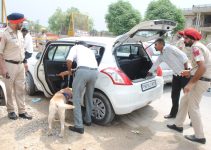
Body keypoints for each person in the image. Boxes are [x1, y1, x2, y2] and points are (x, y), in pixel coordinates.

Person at [167, 28, 211, 144]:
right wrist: (189, 72)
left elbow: (202, 67)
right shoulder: (199, 46)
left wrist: (191, 83)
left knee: (193, 107)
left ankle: (199, 136)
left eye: (186, 38)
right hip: (202, 79)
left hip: (200, 81)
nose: (184, 40)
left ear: (192, 38)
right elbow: (200, 65)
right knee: (184, 101)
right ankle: (178, 125)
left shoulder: (196, 47)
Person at [58, 41, 98, 134]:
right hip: (95, 72)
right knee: (89, 97)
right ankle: (88, 120)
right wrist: (73, 70)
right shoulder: (90, 51)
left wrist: (69, 71)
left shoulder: (75, 47)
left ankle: (79, 126)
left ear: (77, 44)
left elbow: (69, 60)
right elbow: (86, 65)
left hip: (83, 73)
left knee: (76, 98)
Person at [0, 13, 32, 120]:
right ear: (14, 22)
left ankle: (22, 111)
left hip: (20, 65)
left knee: (20, 89)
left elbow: (21, 50)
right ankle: (11, 111)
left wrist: (25, 62)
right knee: (9, 90)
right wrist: (3, 68)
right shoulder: (4, 34)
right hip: (9, 65)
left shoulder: (19, 33)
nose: (22, 24)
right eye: (21, 22)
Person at [148, 38, 189, 119]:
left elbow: (183, 56)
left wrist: (186, 70)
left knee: (188, 97)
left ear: (161, 44)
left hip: (185, 75)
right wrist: (148, 73)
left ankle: (193, 119)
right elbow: (155, 64)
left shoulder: (170, 48)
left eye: (155, 45)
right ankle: (173, 114)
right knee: (174, 96)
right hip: (176, 76)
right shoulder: (161, 55)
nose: (154, 47)